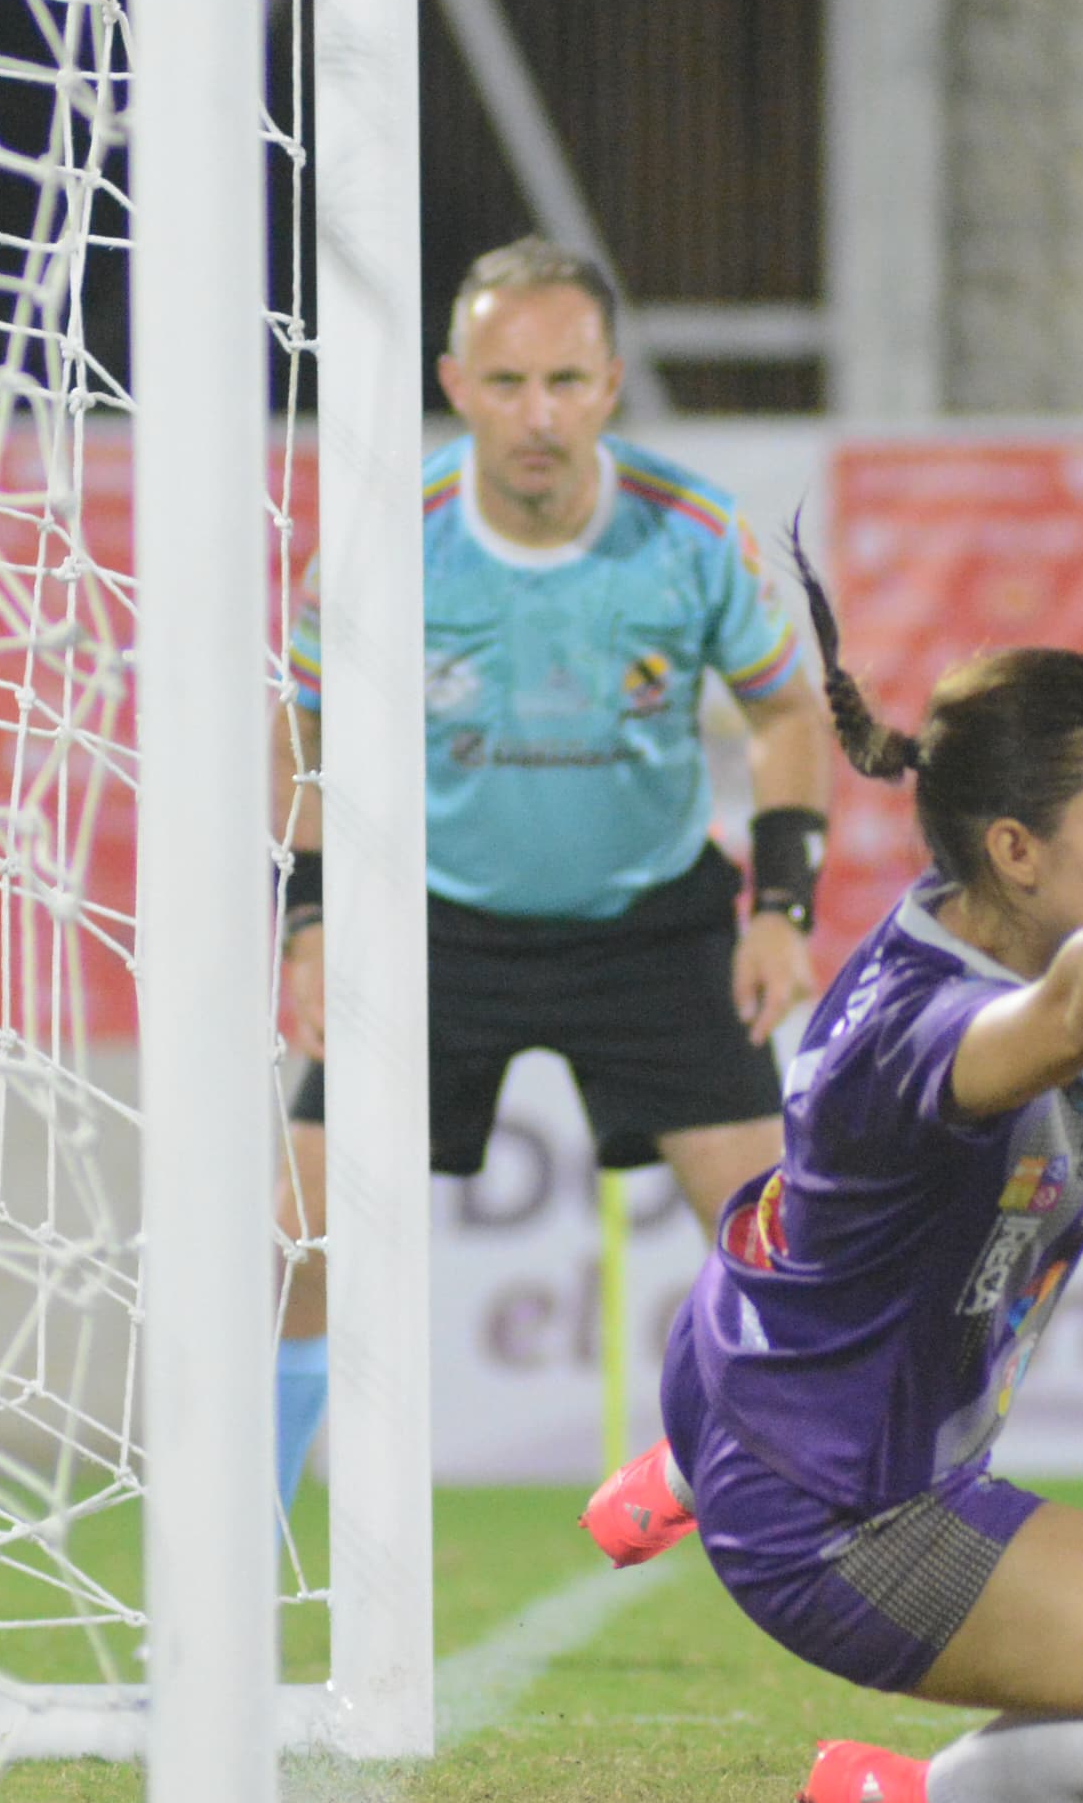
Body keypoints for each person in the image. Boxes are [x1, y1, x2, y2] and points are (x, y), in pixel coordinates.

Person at [578, 542, 1083, 1803]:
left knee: (855, 1255)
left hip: (755, 1360)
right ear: (1018, 847)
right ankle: (925, 1801)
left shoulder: (1002, 930)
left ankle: (689, 1461)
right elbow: (1074, 1017)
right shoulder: (942, 1026)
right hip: (844, 1519)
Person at [272, 238, 836, 1504]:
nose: (538, 415)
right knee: (294, 1233)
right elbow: (298, 724)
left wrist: (780, 907)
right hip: (438, 928)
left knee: (778, 1245)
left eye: (566, 382)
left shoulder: (688, 533)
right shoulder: (385, 538)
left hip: (650, 923)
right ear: (454, 383)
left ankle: (813, 1521)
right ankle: (247, 1539)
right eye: (507, 381)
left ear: (610, 386)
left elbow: (787, 717)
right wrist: (306, 918)